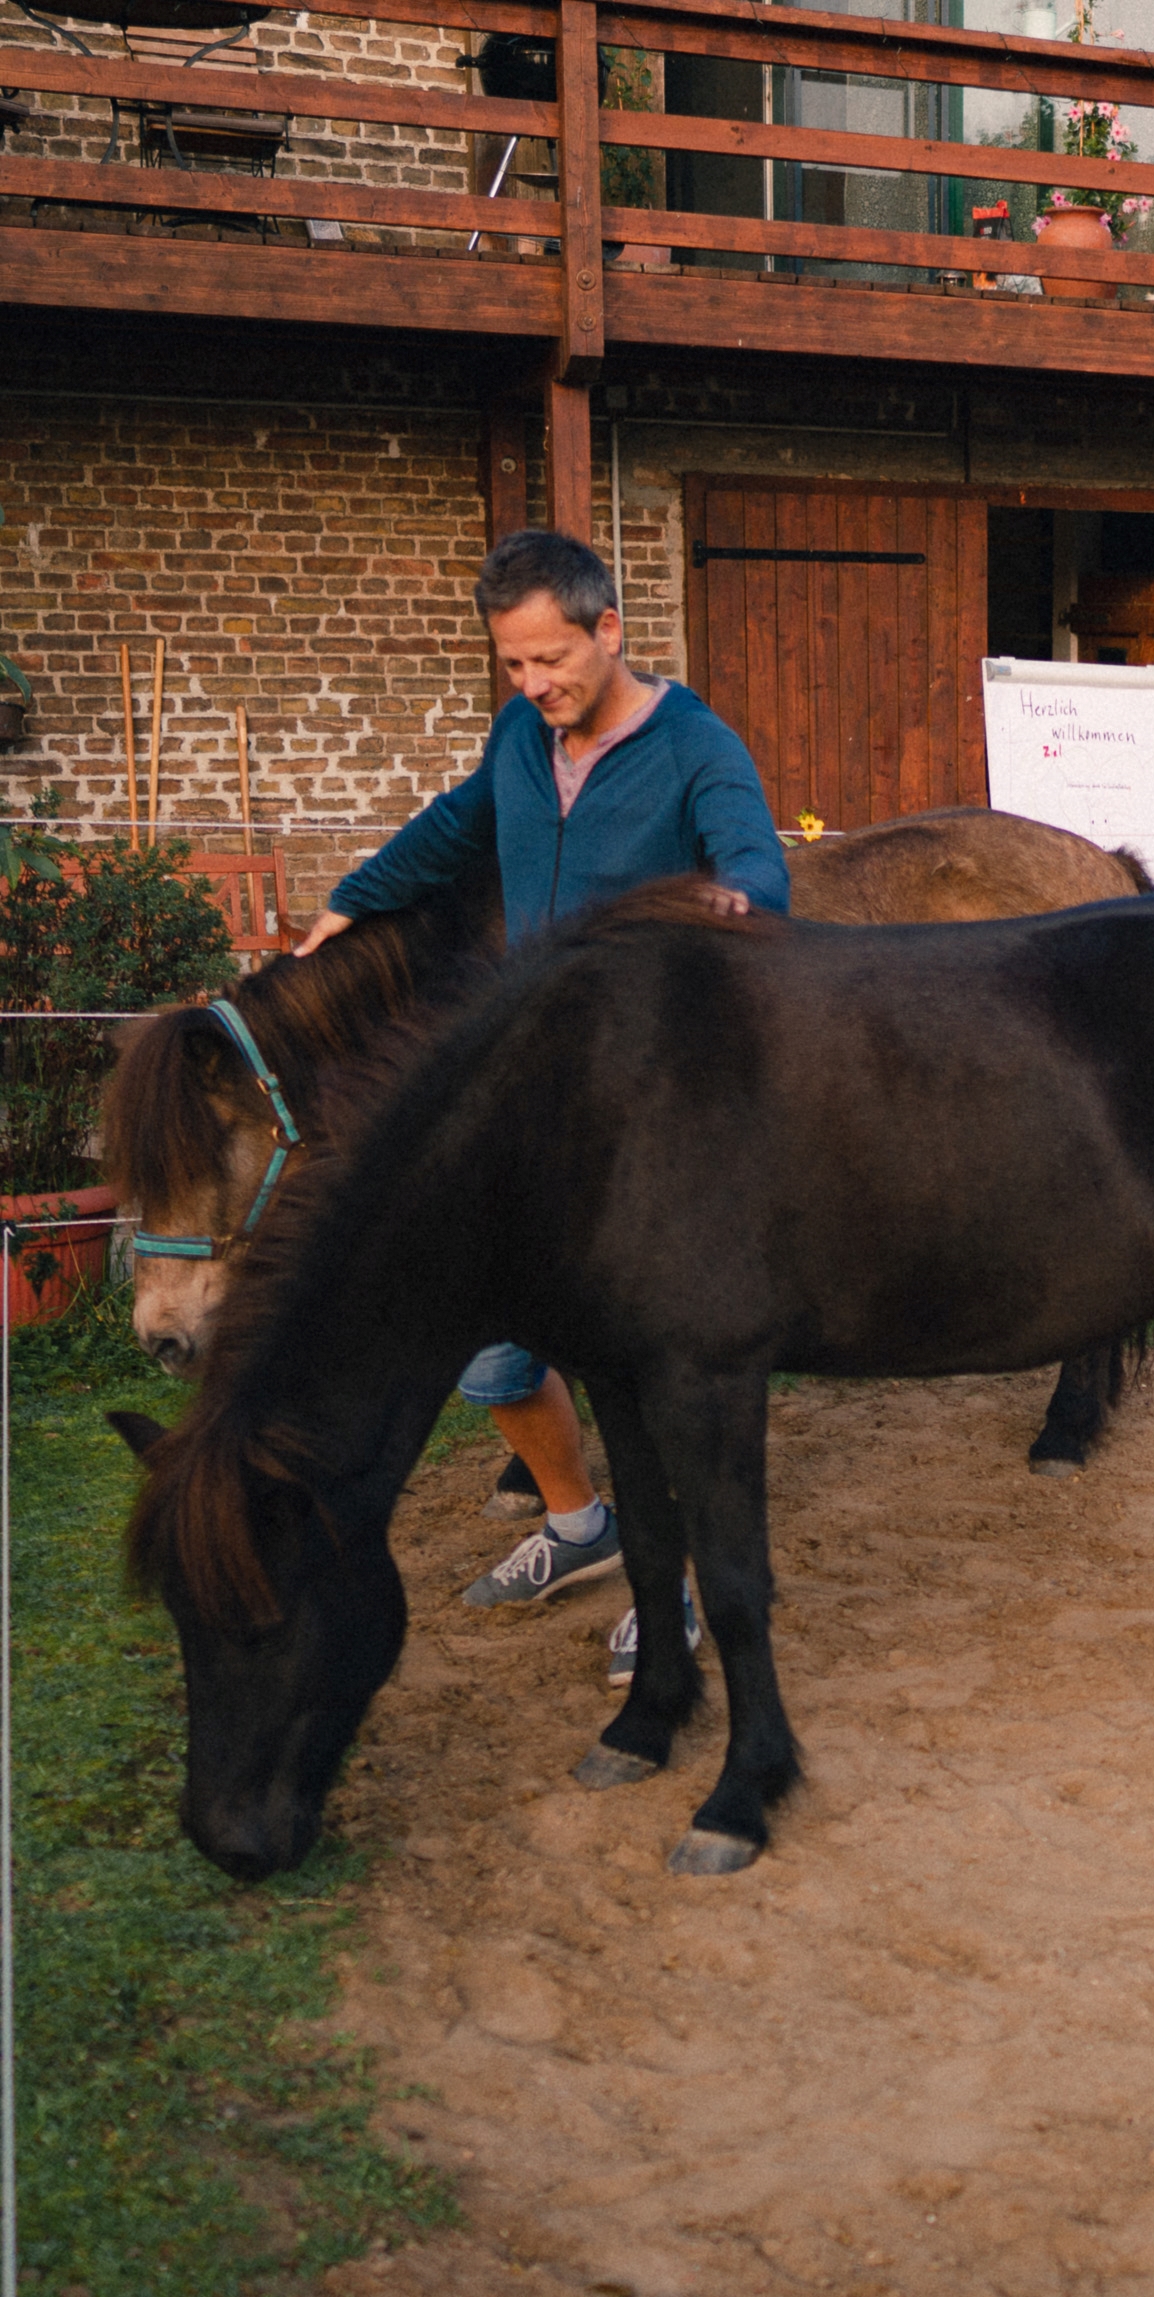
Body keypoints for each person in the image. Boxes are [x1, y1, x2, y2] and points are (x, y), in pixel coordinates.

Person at [297, 527, 790, 1677]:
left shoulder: (693, 744)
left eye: (552, 661)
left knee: (648, 1358)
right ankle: (580, 1529)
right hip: (535, 1082)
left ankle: (668, 1589)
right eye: (513, 666)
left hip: (649, 1093)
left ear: (609, 629)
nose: (534, 687)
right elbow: (457, 829)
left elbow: (755, 859)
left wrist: (733, 900)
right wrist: (352, 903)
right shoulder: (522, 737)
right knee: (492, 1357)